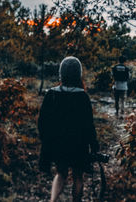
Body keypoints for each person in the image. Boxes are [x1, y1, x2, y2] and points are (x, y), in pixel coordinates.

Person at [38, 56, 99, 202]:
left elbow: (42, 122)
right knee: (78, 176)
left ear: (61, 73)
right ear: (78, 74)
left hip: (58, 144)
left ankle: (52, 200)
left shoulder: (51, 94)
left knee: (60, 174)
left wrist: (46, 141)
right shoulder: (83, 96)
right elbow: (88, 125)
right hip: (78, 145)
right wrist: (94, 144)